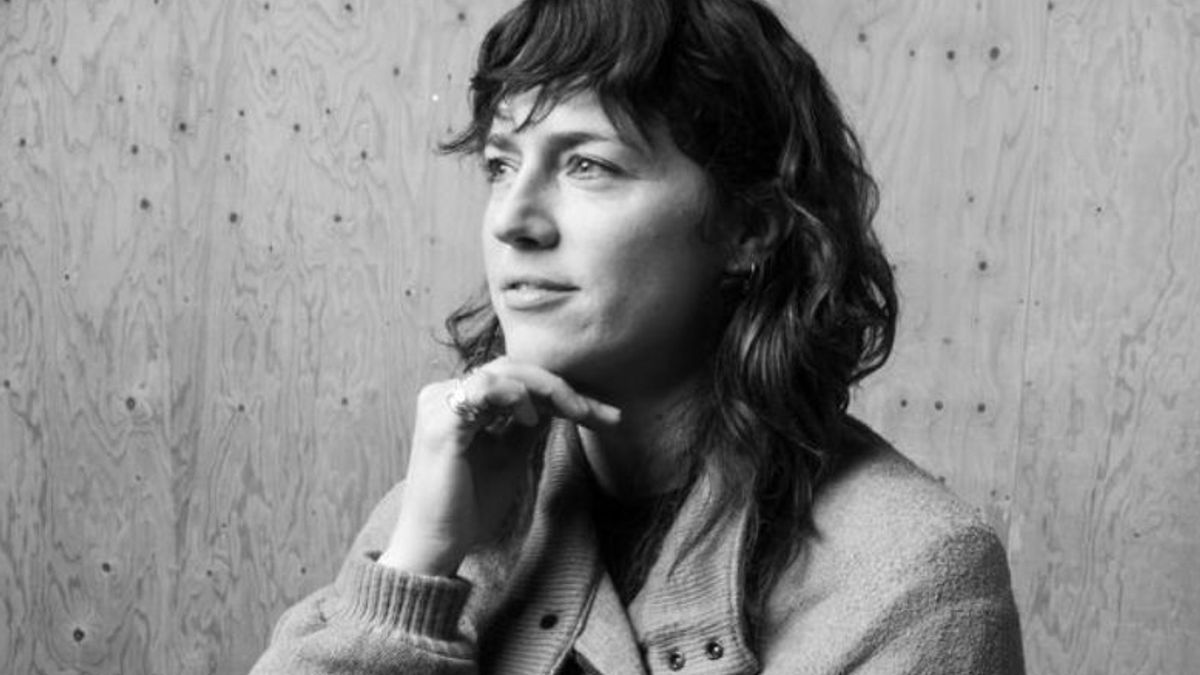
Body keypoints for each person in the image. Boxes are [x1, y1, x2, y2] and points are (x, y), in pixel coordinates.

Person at [251, 0, 1025, 672]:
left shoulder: (914, 577)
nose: (513, 220)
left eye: (588, 165)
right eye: (500, 164)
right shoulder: (437, 507)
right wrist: (417, 565)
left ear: (750, 225)